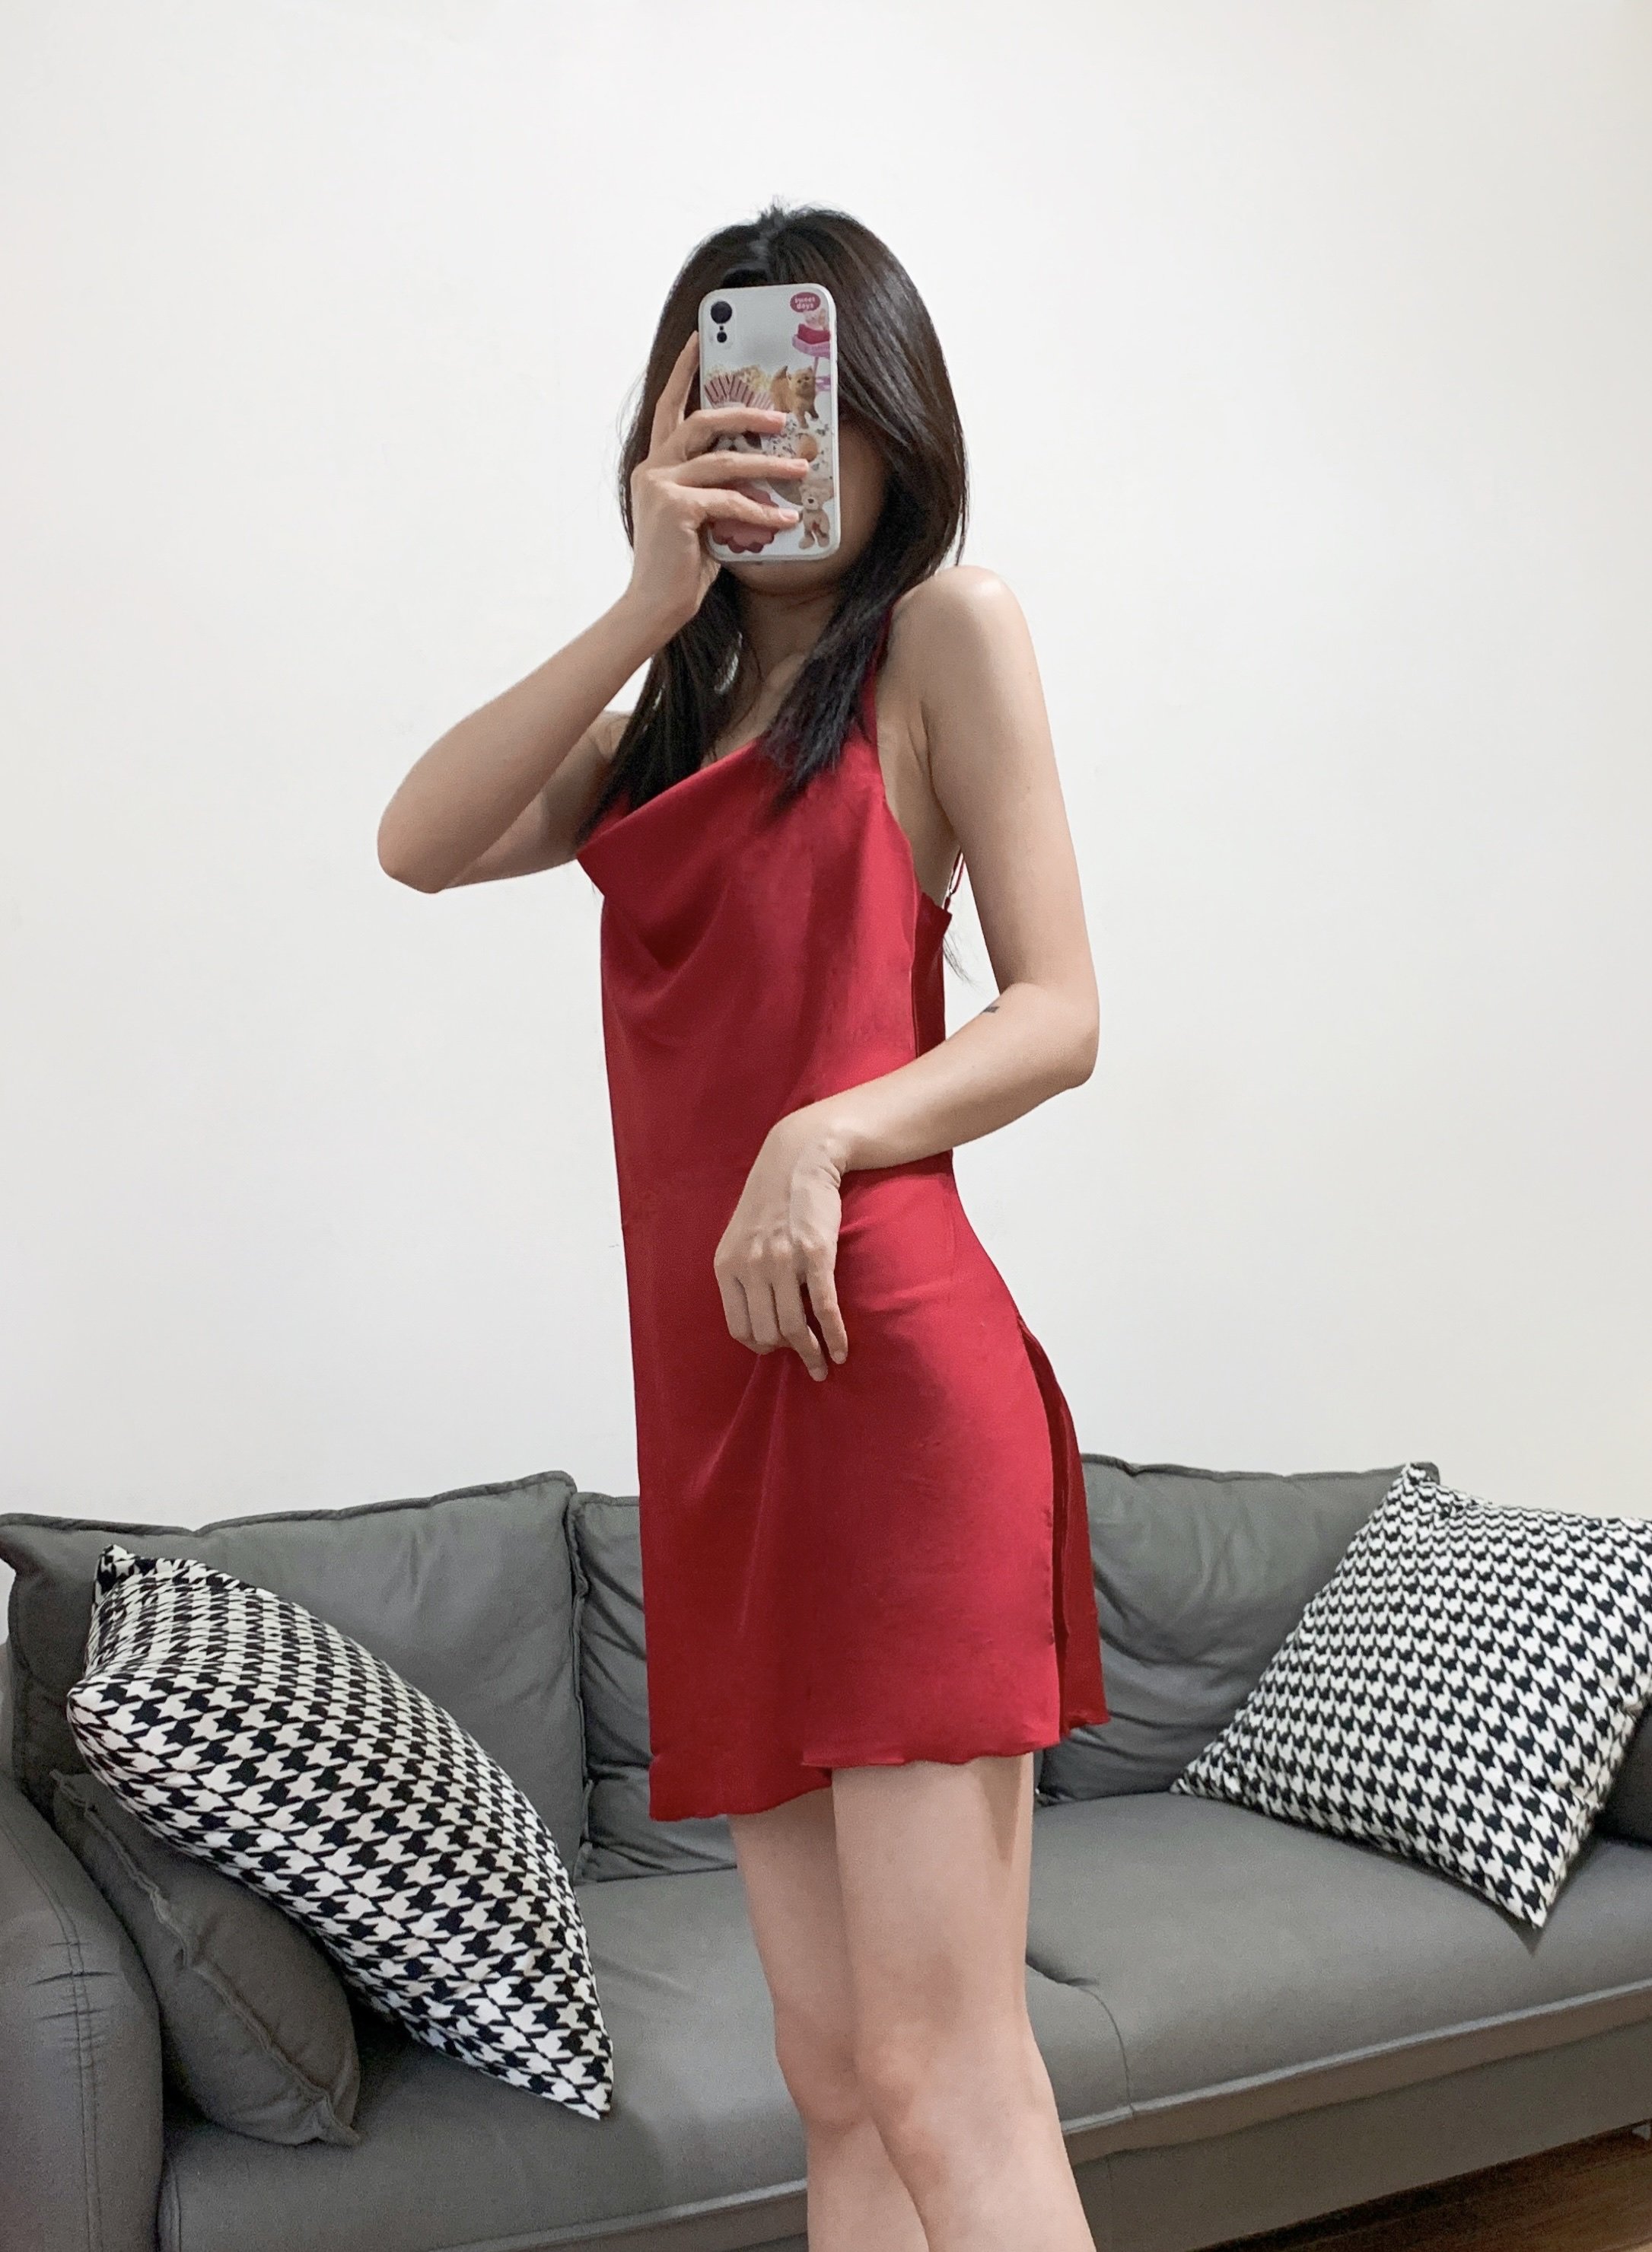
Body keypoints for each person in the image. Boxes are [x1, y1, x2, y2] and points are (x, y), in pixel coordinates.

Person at [378, 202, 1109, 2252]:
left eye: (817, 405)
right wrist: (645, 600)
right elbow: (415, 841)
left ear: (892, 423)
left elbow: (1059, 1009)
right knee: (836, 2076)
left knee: (947, 2076)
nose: (781, 447)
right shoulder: (652, 743)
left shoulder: (944, 637)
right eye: (734, 406)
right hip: (717, 1416)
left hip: (894, 1377)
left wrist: (824, 1131)